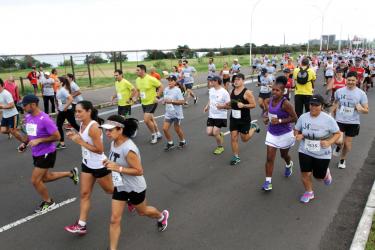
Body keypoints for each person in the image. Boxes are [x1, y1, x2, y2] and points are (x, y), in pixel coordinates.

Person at [102, 116, 169, 250]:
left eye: (110, 130)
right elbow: (116, 160)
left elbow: (139, 171)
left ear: (120, 129)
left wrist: (118, 168)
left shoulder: (129, 148)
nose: (107, 133)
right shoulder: (114, 142)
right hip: (120, 186)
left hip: (135, 188)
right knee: (114, 219)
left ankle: (161, 216)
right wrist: (109, 163)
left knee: (143, 212)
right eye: (106, 130)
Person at [12, 95, 79, 212]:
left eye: (24, 105)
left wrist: (40, 140)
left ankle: (49, 201)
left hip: (47, 153)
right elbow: (30, 133)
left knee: (35, 180)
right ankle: (71, 173)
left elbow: (57, 136)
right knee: (46, 177)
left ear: (33, 105)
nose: (22, 108)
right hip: (36, 152)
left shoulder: (45, 119)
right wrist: (25, 143)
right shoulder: (28, 117)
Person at [64, 100, 113, 235]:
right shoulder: (82, 124)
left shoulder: (94, 127)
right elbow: (84, 140)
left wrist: (79, 141)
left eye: (80, 111)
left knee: (110, 191)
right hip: (86, 164)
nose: (77, 114)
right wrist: (75, 135)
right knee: (84, 194)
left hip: (99, 165)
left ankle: (128, 198)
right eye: (76, 111)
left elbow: (99, 149)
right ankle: (81, 225)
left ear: (89, 111)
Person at [294, 94, 341, 203]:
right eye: (311, 104)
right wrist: (298, 135)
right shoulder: (303, 117)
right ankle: (309, 192)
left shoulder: (328, 119)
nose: (313, 107)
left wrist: (329, 142)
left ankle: (325, 174)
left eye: (316, 105)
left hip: (322, 152)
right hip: (305, 149)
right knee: (305, 173)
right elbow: (296, 130)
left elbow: (337, 134)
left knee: (318, 177)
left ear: (322, 106)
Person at [261, 76, 297, 191]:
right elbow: (268, 114)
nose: (275, 92)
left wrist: (280, 121)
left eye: (277, 90)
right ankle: (268, 182)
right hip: (272, 132)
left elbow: (295, 118)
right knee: (269, 158)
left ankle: (288, 164)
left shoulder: (285, 103)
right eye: (273, 90)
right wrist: (266, 118)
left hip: (285, 133)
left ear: (283, 91)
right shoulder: (269, 101)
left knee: (283, 155)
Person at [331, 71, 369, 169]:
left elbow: (366, 110)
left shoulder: (361, 94)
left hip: (353, 122)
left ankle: (342, 159)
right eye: (349, 80)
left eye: (353, 80)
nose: (351, 82)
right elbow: (335, 103)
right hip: (339, 120)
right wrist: (331, 114)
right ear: (346, 80)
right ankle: (339, 146)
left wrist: (361, 109)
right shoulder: (339, 91)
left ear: (357, 80)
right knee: (338, 141)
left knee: (347, 144)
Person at [225, 73, 260, 165]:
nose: (236, 81)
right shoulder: (232, 91)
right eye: (234, 80)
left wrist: (244, 105)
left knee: (244, 139)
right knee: (233, 137)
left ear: (243, 80)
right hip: (234, 118)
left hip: (244, 119)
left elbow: (254, 105)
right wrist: (224, 106)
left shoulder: (247, 92)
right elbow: (232, 104)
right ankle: (236, 157)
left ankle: (254, 127)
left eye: (238, 79)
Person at [135, 64, 163, 144]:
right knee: (151, 119)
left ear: (143, 70)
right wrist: (135, 98)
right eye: (136, 70)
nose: (136, 71)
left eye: (138, 70)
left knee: (146, 120)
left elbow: (161, 86)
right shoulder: (137, 80)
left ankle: (154, 135)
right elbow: (138, 90)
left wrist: (157, 97)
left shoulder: (151, 79)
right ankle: (158, 133)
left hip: (152, 102)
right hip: (144, 102)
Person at [204, 76, 230, 155]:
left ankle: (220, 147)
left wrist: (222, 106)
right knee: (209, 132)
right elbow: (210, 99)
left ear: (217, 81)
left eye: (212, 81)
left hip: (220, 115)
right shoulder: (211, 90)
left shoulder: (224, 92)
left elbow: (229, 106)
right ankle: (220, 135)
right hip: (211, 115)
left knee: (215, 132)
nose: (210, 83)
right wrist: (207, 106)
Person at [162, 75, 186, 151]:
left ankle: (182, 141)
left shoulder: (177, 90)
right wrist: (163, 101)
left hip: (176, 114)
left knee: (177, 129)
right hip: (168, 113)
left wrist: (171, 101)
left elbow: (182, 102)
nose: (169, 82)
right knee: (164, 129)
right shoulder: (166, 89)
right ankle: (170, 143)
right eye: (168, 80)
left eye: (171, 80)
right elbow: (165, 99)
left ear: (175, 82)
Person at [55, 77, 80, 149]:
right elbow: (59, 100)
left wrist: (65, 107)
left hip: (67, 110)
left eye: (57, 81)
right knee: (58, 125)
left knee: (73, 124)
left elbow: (71, 99)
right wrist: (58, 108)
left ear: (61, 83)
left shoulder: (63, 90)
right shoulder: (58, 90)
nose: (55, 82)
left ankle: (85, 135)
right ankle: (62, 143)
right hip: (62, 111)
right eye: (55, 81)